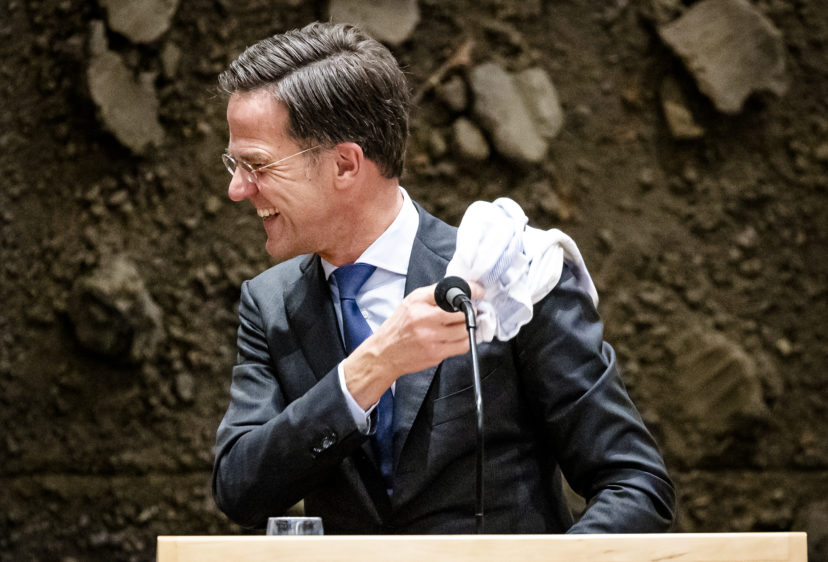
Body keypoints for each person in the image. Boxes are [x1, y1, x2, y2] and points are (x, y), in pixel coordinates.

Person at [211, 21, 675, 534]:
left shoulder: (508, 270)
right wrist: (369, 369)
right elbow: (239, 490)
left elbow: (635, 484)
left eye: (257, 165)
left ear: (345, 165)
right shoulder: (270, 303)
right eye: (235, 163)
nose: (237, 189)